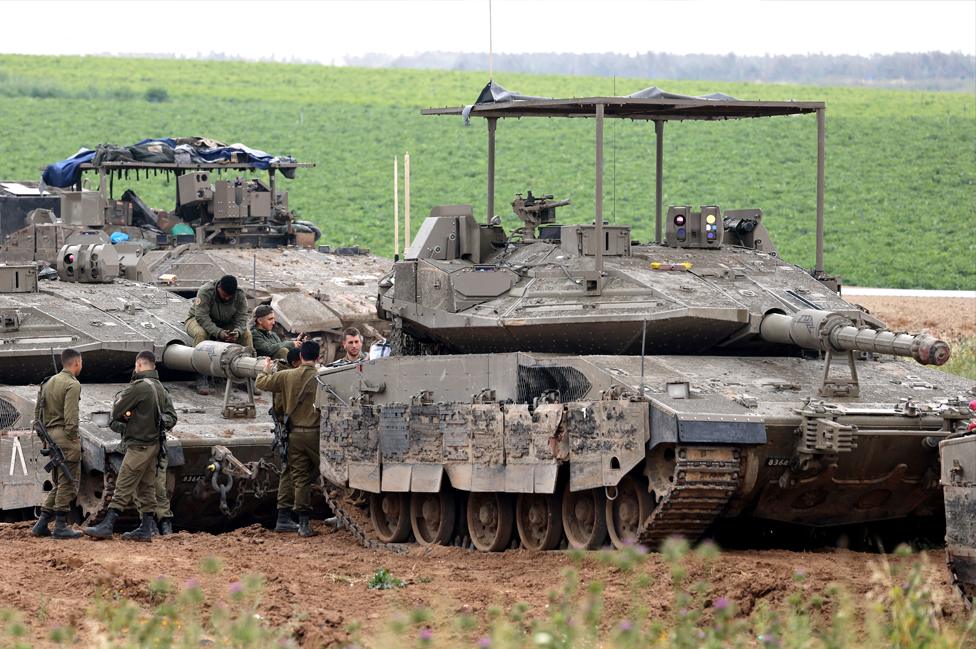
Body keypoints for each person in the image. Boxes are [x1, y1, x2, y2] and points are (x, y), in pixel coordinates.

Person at [83, 351, 177, 542]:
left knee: (123, 484)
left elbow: (116, 412)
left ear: (139, 365)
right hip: (153, 446)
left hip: (138, 446)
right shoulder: (160, 388)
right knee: (146, 487)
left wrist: (127, 415)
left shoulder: (138, 387)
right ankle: (145, 528)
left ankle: (107, 525)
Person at [256, 340, 321, 537]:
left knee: (299, 478)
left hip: (294, 435)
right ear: (318, 358)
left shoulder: (287, 376)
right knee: (331, 475)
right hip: (316, 434)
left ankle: (303, 524)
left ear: (301, 357)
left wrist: (265, 369)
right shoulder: (323, 377)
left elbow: (261, 383)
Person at [30, 348, 84, 540]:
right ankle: (60, 526)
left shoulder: (47, 383)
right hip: (65, 437)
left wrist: (45, 437)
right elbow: (71, 418)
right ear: (77, 363)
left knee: (60, 483)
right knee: (70, 482)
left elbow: (37, 417)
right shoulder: (72, 384)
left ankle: (42, 523)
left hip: (50, 436)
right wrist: (73, 437)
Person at [185, 275, 252, 394]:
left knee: (246, 334)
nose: (227, 299)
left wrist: (237, 332)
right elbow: (202, 316)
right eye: (224, 295)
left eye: (229, 296)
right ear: (219, 287)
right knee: (201, 334)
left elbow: (242, 317)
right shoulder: (206, 291)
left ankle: (248, 374)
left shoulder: (239, 294)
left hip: (226, 322)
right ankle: (201, 374)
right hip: (197, 320)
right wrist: (218, 332)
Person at [271, 346, 302, 533]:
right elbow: (281, 408)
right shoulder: (286, 380)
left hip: (295, 430)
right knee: (291, 471)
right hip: (293, 430)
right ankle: (287, 517)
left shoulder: (286, 377)